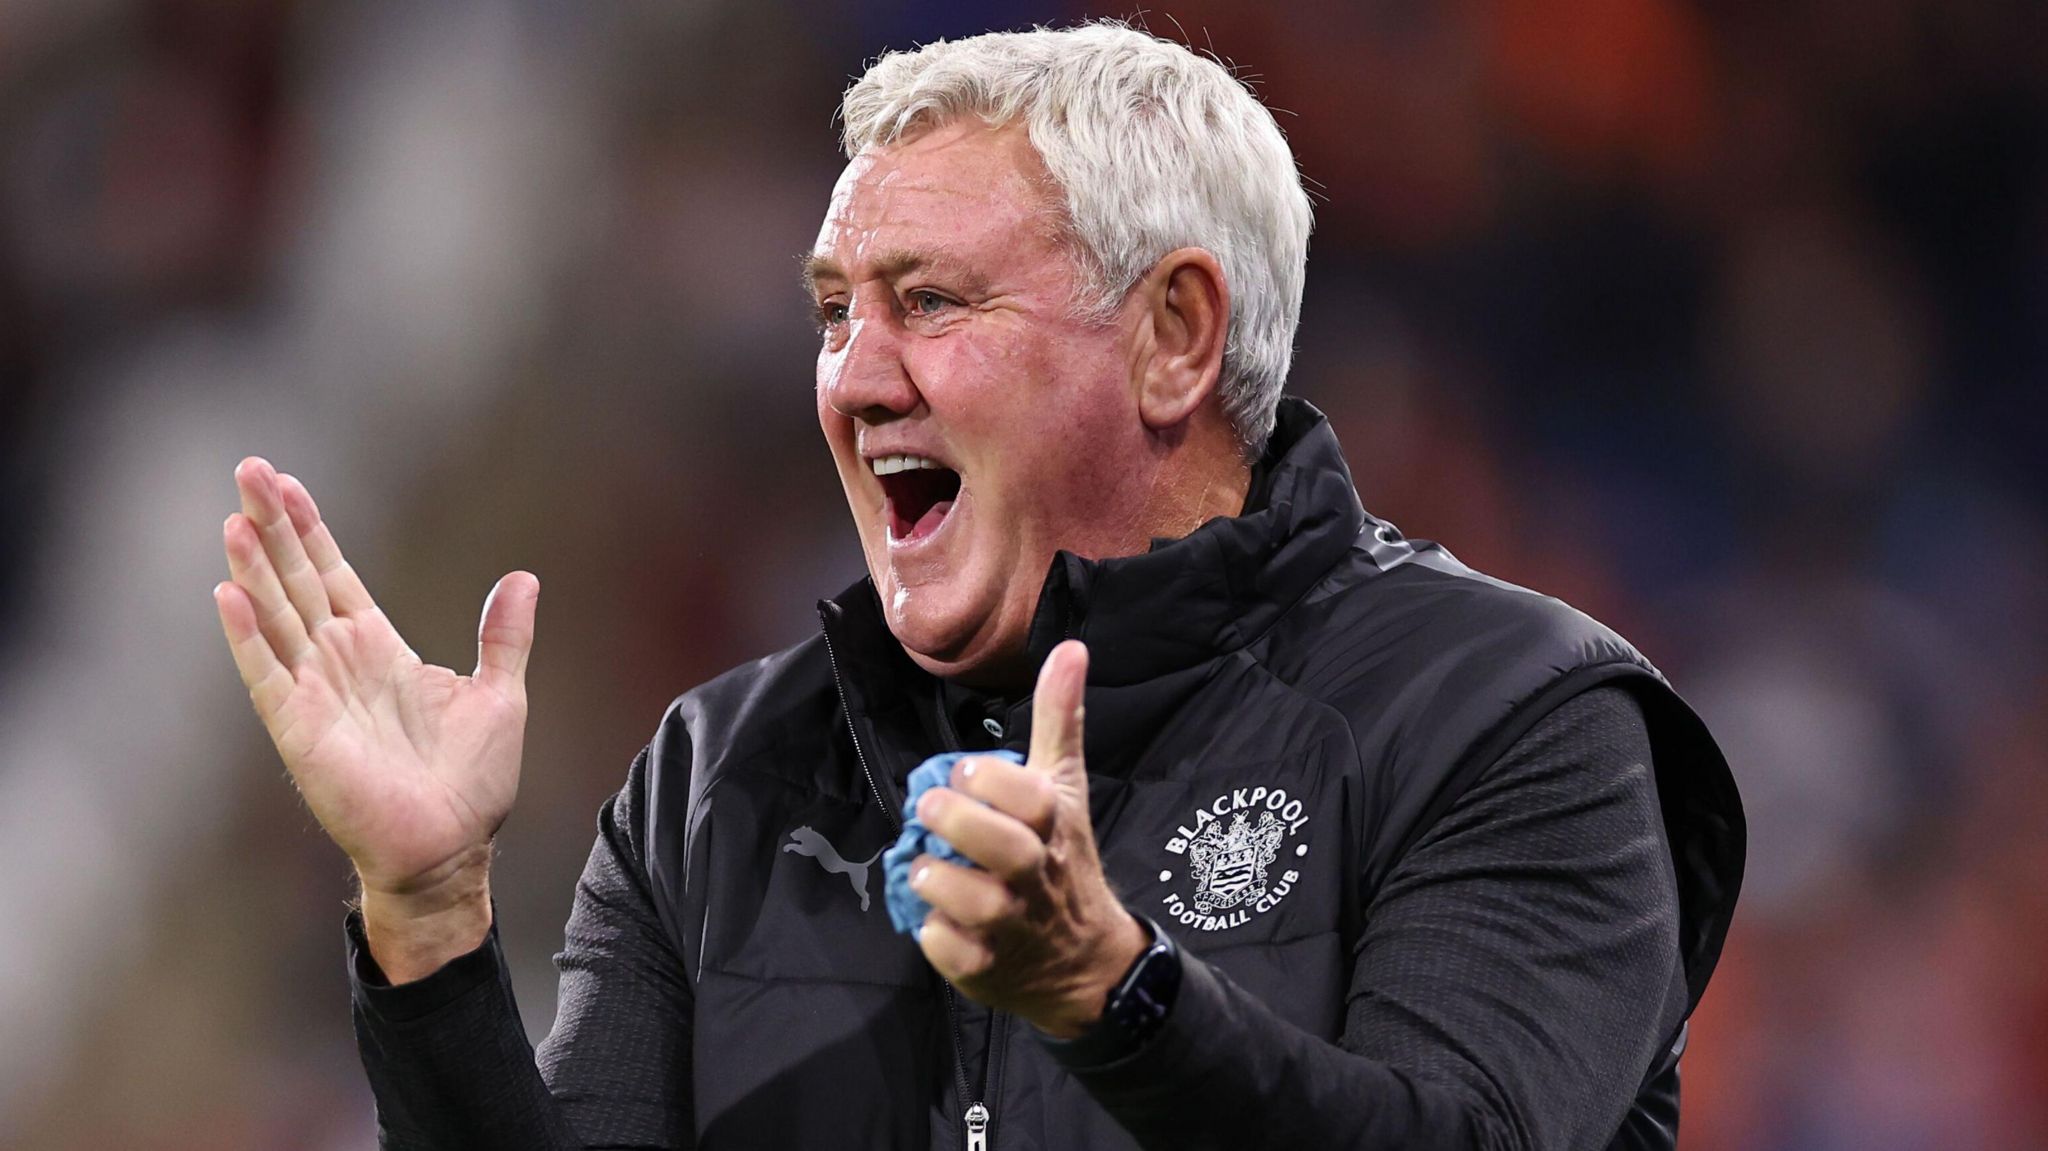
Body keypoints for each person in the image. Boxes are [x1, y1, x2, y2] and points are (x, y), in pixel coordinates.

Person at [214, 22, 1743, 1151]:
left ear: (1174, 338)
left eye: (929, 301)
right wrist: (429, 922)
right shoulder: (719, 781)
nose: (854, 380)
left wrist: (1115, 1000)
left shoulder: (1511, 725)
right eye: (832, 314)